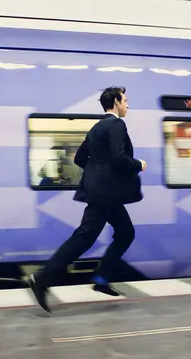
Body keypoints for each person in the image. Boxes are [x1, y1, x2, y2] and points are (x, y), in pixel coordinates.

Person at [28, 86, 147, 312]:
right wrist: (138, 164)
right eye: (125, 101)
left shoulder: (95, 128)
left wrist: (97, 171)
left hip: (102, 191)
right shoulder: (116, 124)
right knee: (85, 236)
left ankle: (102, 278)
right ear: (115, 102)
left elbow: (80, 158)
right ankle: (42, 278)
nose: (128, 105)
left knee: (125, 233)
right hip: (106, 192)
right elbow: (119, 157)